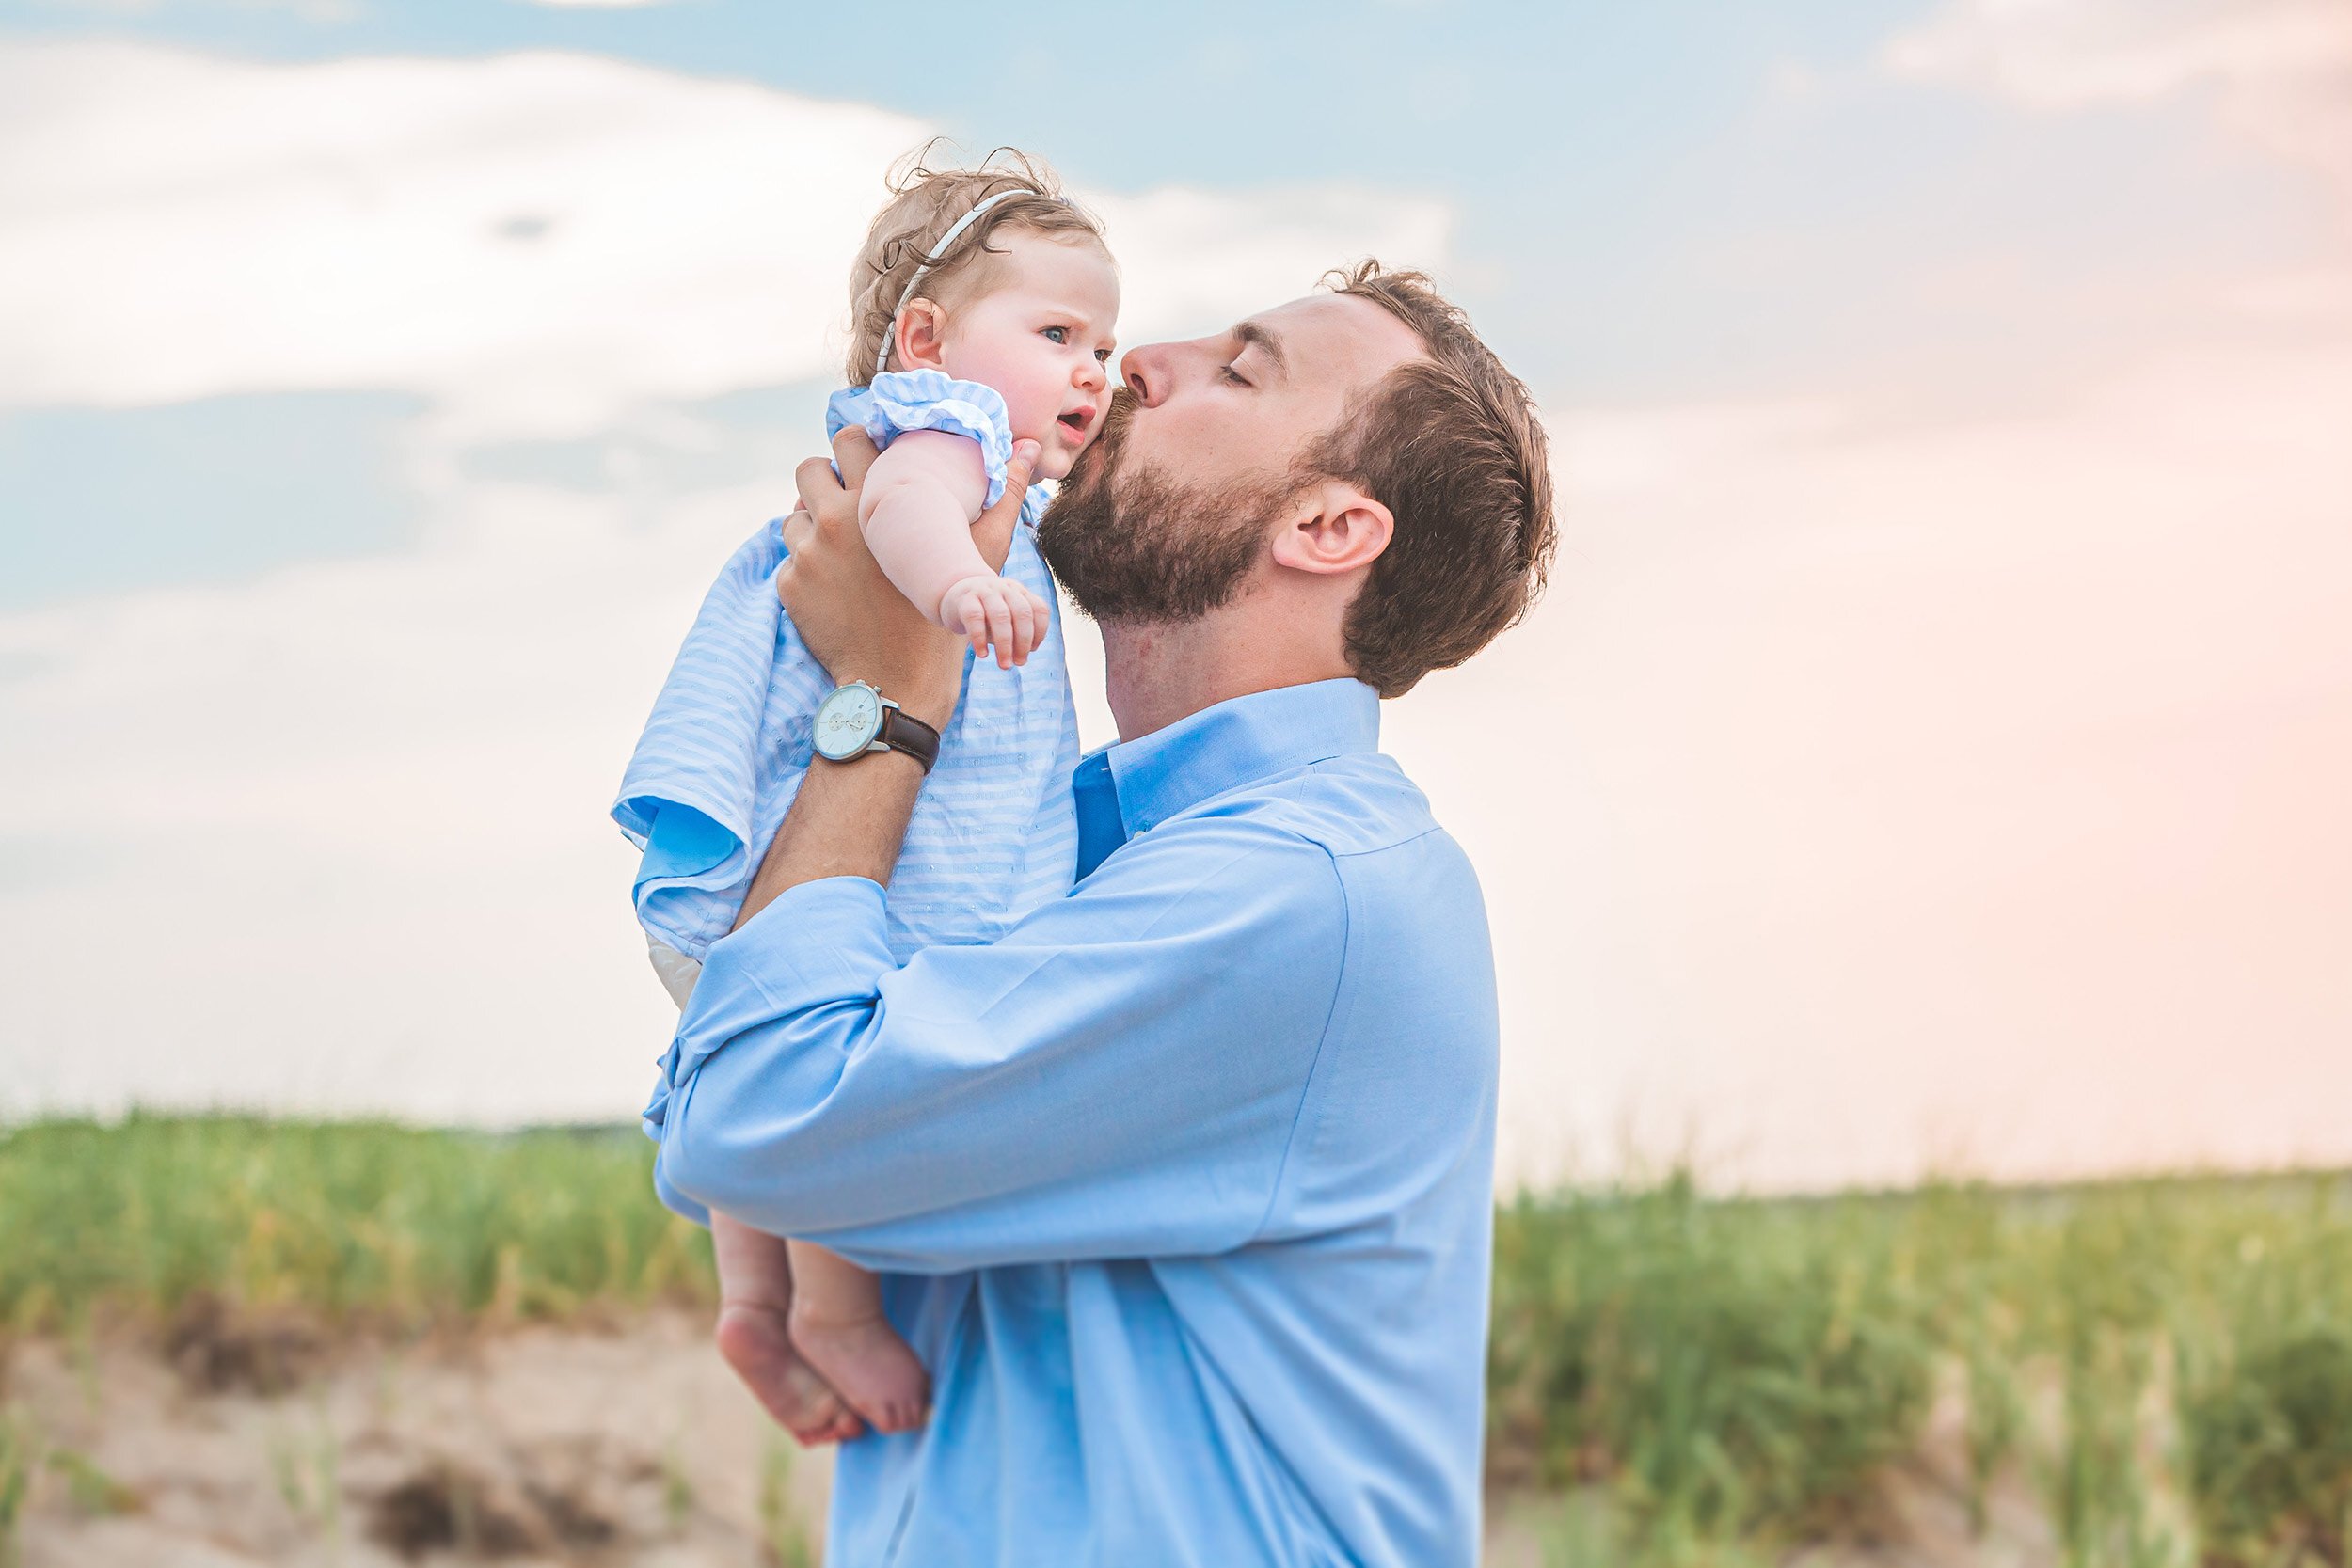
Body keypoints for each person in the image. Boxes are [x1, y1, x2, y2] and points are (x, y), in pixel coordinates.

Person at [645, 261, 1555, 1565]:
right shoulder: (1066, 858)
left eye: (1240, 370)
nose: (1138, 361)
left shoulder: (1304, 893)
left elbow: (755, 1111)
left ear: (1330, 529)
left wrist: (887, 691)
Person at [612, 152, 1116, 1436]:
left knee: (760, 1017)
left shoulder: (991, 468)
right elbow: (904, 510)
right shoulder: (942, 437)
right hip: (877, 827)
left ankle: (749, 1294)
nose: (1090, 371)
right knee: (848, 1026)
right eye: (1057, 332)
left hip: (778, 833)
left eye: (1101, 345)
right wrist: (959, 593)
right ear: (929, 338)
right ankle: (828, 1310)